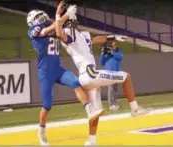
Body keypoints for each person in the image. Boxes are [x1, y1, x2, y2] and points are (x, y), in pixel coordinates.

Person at [55, 7, 151, 146]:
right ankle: (135, 109)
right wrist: (59, 15)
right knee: (126, 77)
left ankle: (92, 141)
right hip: (90, 74)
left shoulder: (82, 35)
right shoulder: (69, 34)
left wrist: (113, 37)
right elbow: (59, 33)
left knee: (95, 114)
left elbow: (95, 39)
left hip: (87, 77)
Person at [27, 1, 104, 145]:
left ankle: (89, 110)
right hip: (45, 73)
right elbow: (50, 29)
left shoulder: (51, 28)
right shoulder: (34, 30)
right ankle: (41, 130)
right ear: (32, 21)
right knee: (47, 105)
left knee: (76, 83)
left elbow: (59, 28)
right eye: (38, 17)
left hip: (58, 69)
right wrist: (65, 14)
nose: (41, 18)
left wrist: (64, 16)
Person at [99, 39, 123, 111]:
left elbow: (120, 57)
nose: (114, 46)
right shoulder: (106, 54)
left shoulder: (118, 52)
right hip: (109, 73)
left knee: (115, 89)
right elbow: (101, 62)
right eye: (112, 45)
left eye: (114, 45)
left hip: (116, 73)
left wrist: (111, 52)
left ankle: (114, 104)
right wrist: (103, 53)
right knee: (110, 88)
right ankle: (110, 105)